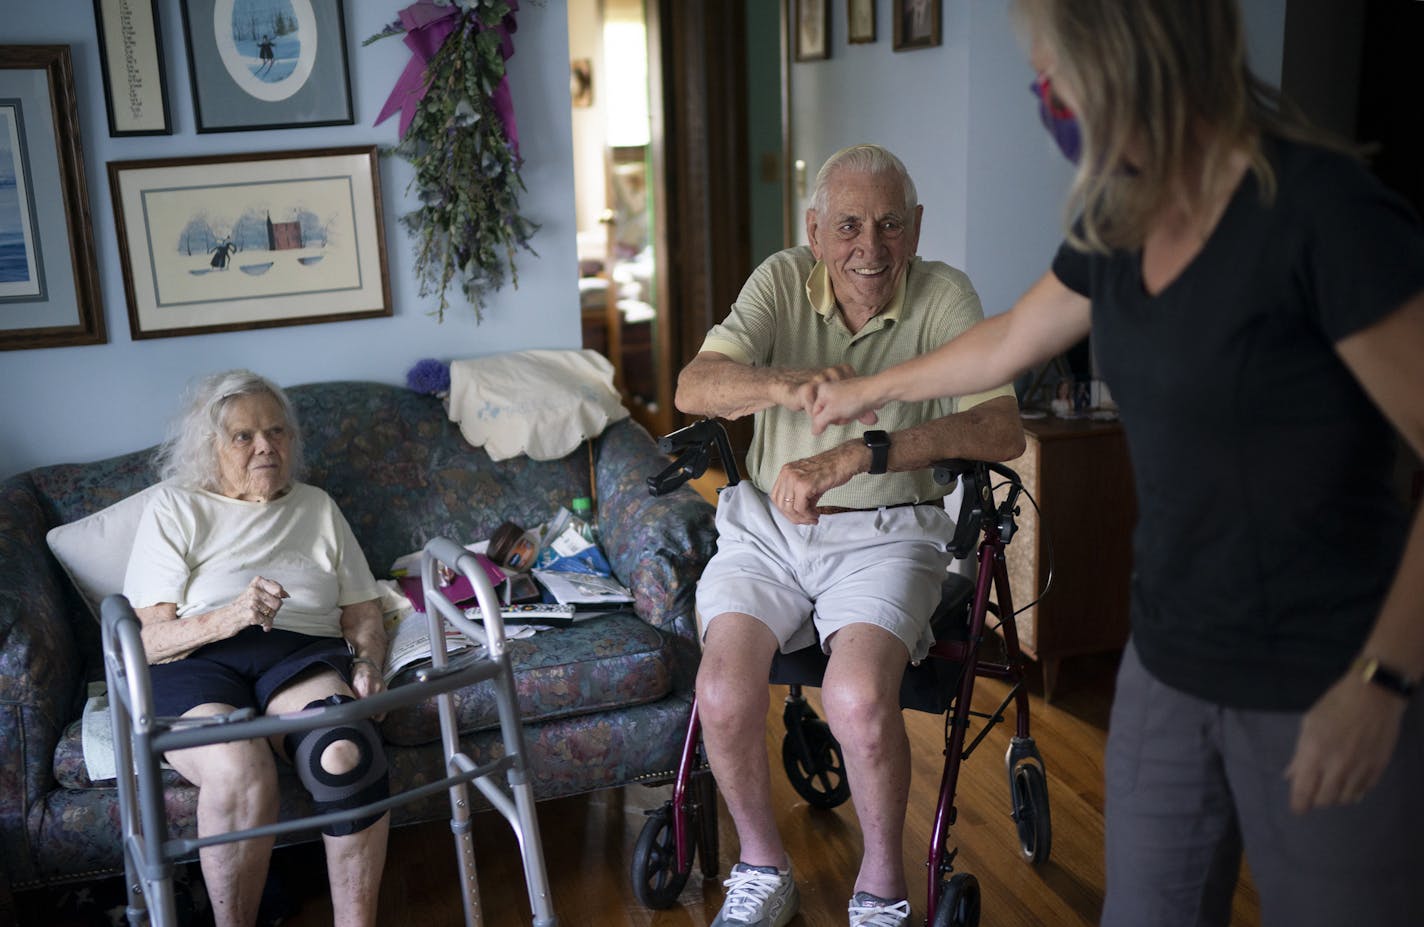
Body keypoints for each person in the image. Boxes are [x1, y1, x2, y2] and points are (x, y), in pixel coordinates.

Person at [809, 3, 1424, 925]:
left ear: (1132, 57)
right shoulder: (1119, 216)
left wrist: (1383, 681)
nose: (1046, 99)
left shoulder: (1322, 212)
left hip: (1327, 670)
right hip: (1170, 664)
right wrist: (869, 390)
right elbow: (1012, 337)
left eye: (1053, 74)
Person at [677, 144, 1025, 927]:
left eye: (891, 224)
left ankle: (879, 886)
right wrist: (786, 384)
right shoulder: (778, 281)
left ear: (917, 226)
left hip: (888, 530)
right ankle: (763, 866)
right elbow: (693, 384)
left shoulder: (944, 296)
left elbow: (1003, 427)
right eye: (849, 225)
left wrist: (862, 453)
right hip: (768, 525)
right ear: (814, 229)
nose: (871, 248)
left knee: (859, 697)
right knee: (723, 690)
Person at [123, 370, 390, 927]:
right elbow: (148, 640)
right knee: (239, 766)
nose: (266, 445)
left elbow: (362, 610)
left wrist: (367, 663)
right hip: (193, 661)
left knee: (345, 750)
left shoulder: (318, 507)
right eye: (244, 436)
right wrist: (231, 616)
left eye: (276, 431)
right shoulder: (175, 507)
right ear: (210, 448)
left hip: (297, 653)